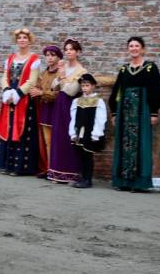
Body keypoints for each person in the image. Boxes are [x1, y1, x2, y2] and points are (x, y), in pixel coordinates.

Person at [109, 37, 160, 191]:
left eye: (137, 46)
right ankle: (123, 181)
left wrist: (153, 112)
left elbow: (156, 90)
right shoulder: (124, 69)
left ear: (143, 49)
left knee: (142, 144)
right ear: (128, 49)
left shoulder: (150, 68)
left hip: (142, 112)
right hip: (124, 113)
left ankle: (139, 183)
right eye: (131, 46)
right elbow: (117, 91)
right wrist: (114, 112)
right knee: (124, 143)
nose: (133, 48)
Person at [0, 29, 41, 176]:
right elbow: (4, 77)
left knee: (21, 131)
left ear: (29, 40)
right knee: (9, 129)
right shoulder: (10, 58)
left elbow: (32, 81)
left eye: (25, 38)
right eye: (20, 38)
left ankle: (19, 167)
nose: (22, 40)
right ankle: (6, 165)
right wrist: (7, 91)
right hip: (9, 97)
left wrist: (17, 94)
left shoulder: (34, 59)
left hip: (24, 99)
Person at [47, 39, 88, 183]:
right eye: (66, 49)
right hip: (59, 105)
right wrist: (60, 76)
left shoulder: (82, 71)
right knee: (57, 137)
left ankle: (70, 173)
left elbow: (71, 91)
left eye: (72, 49)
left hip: (71, 107)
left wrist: (62, 76)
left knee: (68, 137)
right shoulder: (63, 67)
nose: (68, 52)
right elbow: (53, 87)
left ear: (78, 52)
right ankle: (56, 172)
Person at [69, 73, 107, 188]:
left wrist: (96, 134)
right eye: (83, 86)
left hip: (90, 133)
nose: (85, 88)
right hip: (79, 132)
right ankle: (82, 177)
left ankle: (88, 179)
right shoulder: (77, 101)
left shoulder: (98, 101)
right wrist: (72, 132)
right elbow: (73, 117)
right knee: (80, 154)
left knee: (88, 155)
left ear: (93, 86)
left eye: (87, 85)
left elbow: (100, 118)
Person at [31, 45, 62, 178]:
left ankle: (55, 168)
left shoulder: (60, 73)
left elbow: (57, 94)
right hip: (44, 110)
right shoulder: (43, 73)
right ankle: (48, 167)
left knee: (55, 141)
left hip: (56, 110)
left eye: (52, 55)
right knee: (46, 141)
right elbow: (38, 88)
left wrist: (41, 92)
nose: (49, 58)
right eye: (47, 55)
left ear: (58, 57)